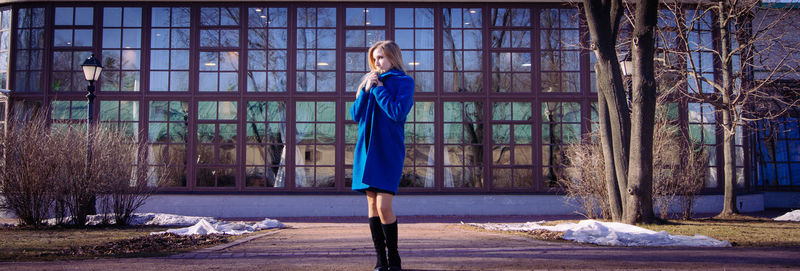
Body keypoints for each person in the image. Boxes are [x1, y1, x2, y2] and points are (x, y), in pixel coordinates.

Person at [350, 40, 414, 271]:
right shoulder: (369, 82)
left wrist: (378, 89)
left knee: (384, 205)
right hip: (366, 150)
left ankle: (394, 257)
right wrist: (366, 90)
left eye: (382, 57)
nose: (377, 62)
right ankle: (380, 260)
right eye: (375, 58)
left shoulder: (404, 82)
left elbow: (397, 112)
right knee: (371, 204)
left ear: (393, 58)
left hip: (388, 150)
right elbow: (356, 115)